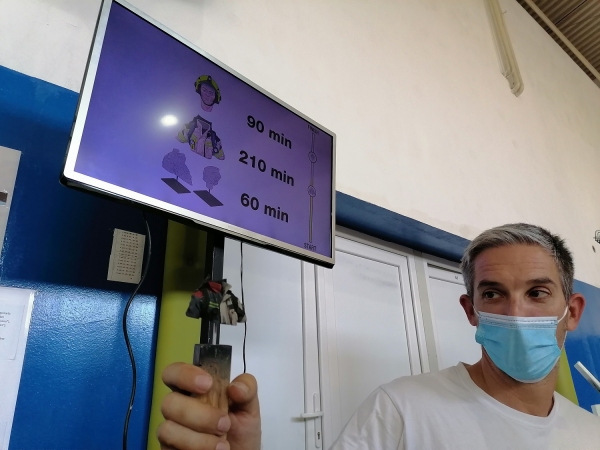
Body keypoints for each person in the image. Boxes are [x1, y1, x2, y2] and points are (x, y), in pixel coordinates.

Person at [158, 223, 600, 449]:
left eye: (537, 293)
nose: (516, 314)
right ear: (472, 311)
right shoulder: (401, 410)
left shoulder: (591, 433)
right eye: (493, 294)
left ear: (573, 311)